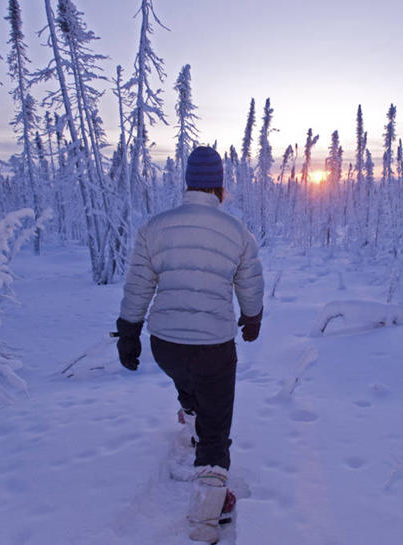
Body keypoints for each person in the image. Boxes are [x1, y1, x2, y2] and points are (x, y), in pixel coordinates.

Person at [115, 145, 264, 543]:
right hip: (214, 344)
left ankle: (192, 417)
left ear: (187, 183)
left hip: (166, 343)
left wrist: (129, 331)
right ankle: (206, 518)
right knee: (217, 432)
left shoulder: (155, 227)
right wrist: (252, 318)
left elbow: (138, 284)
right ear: (218, 186)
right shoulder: (237, 232)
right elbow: (249, 283)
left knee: (188, 381)